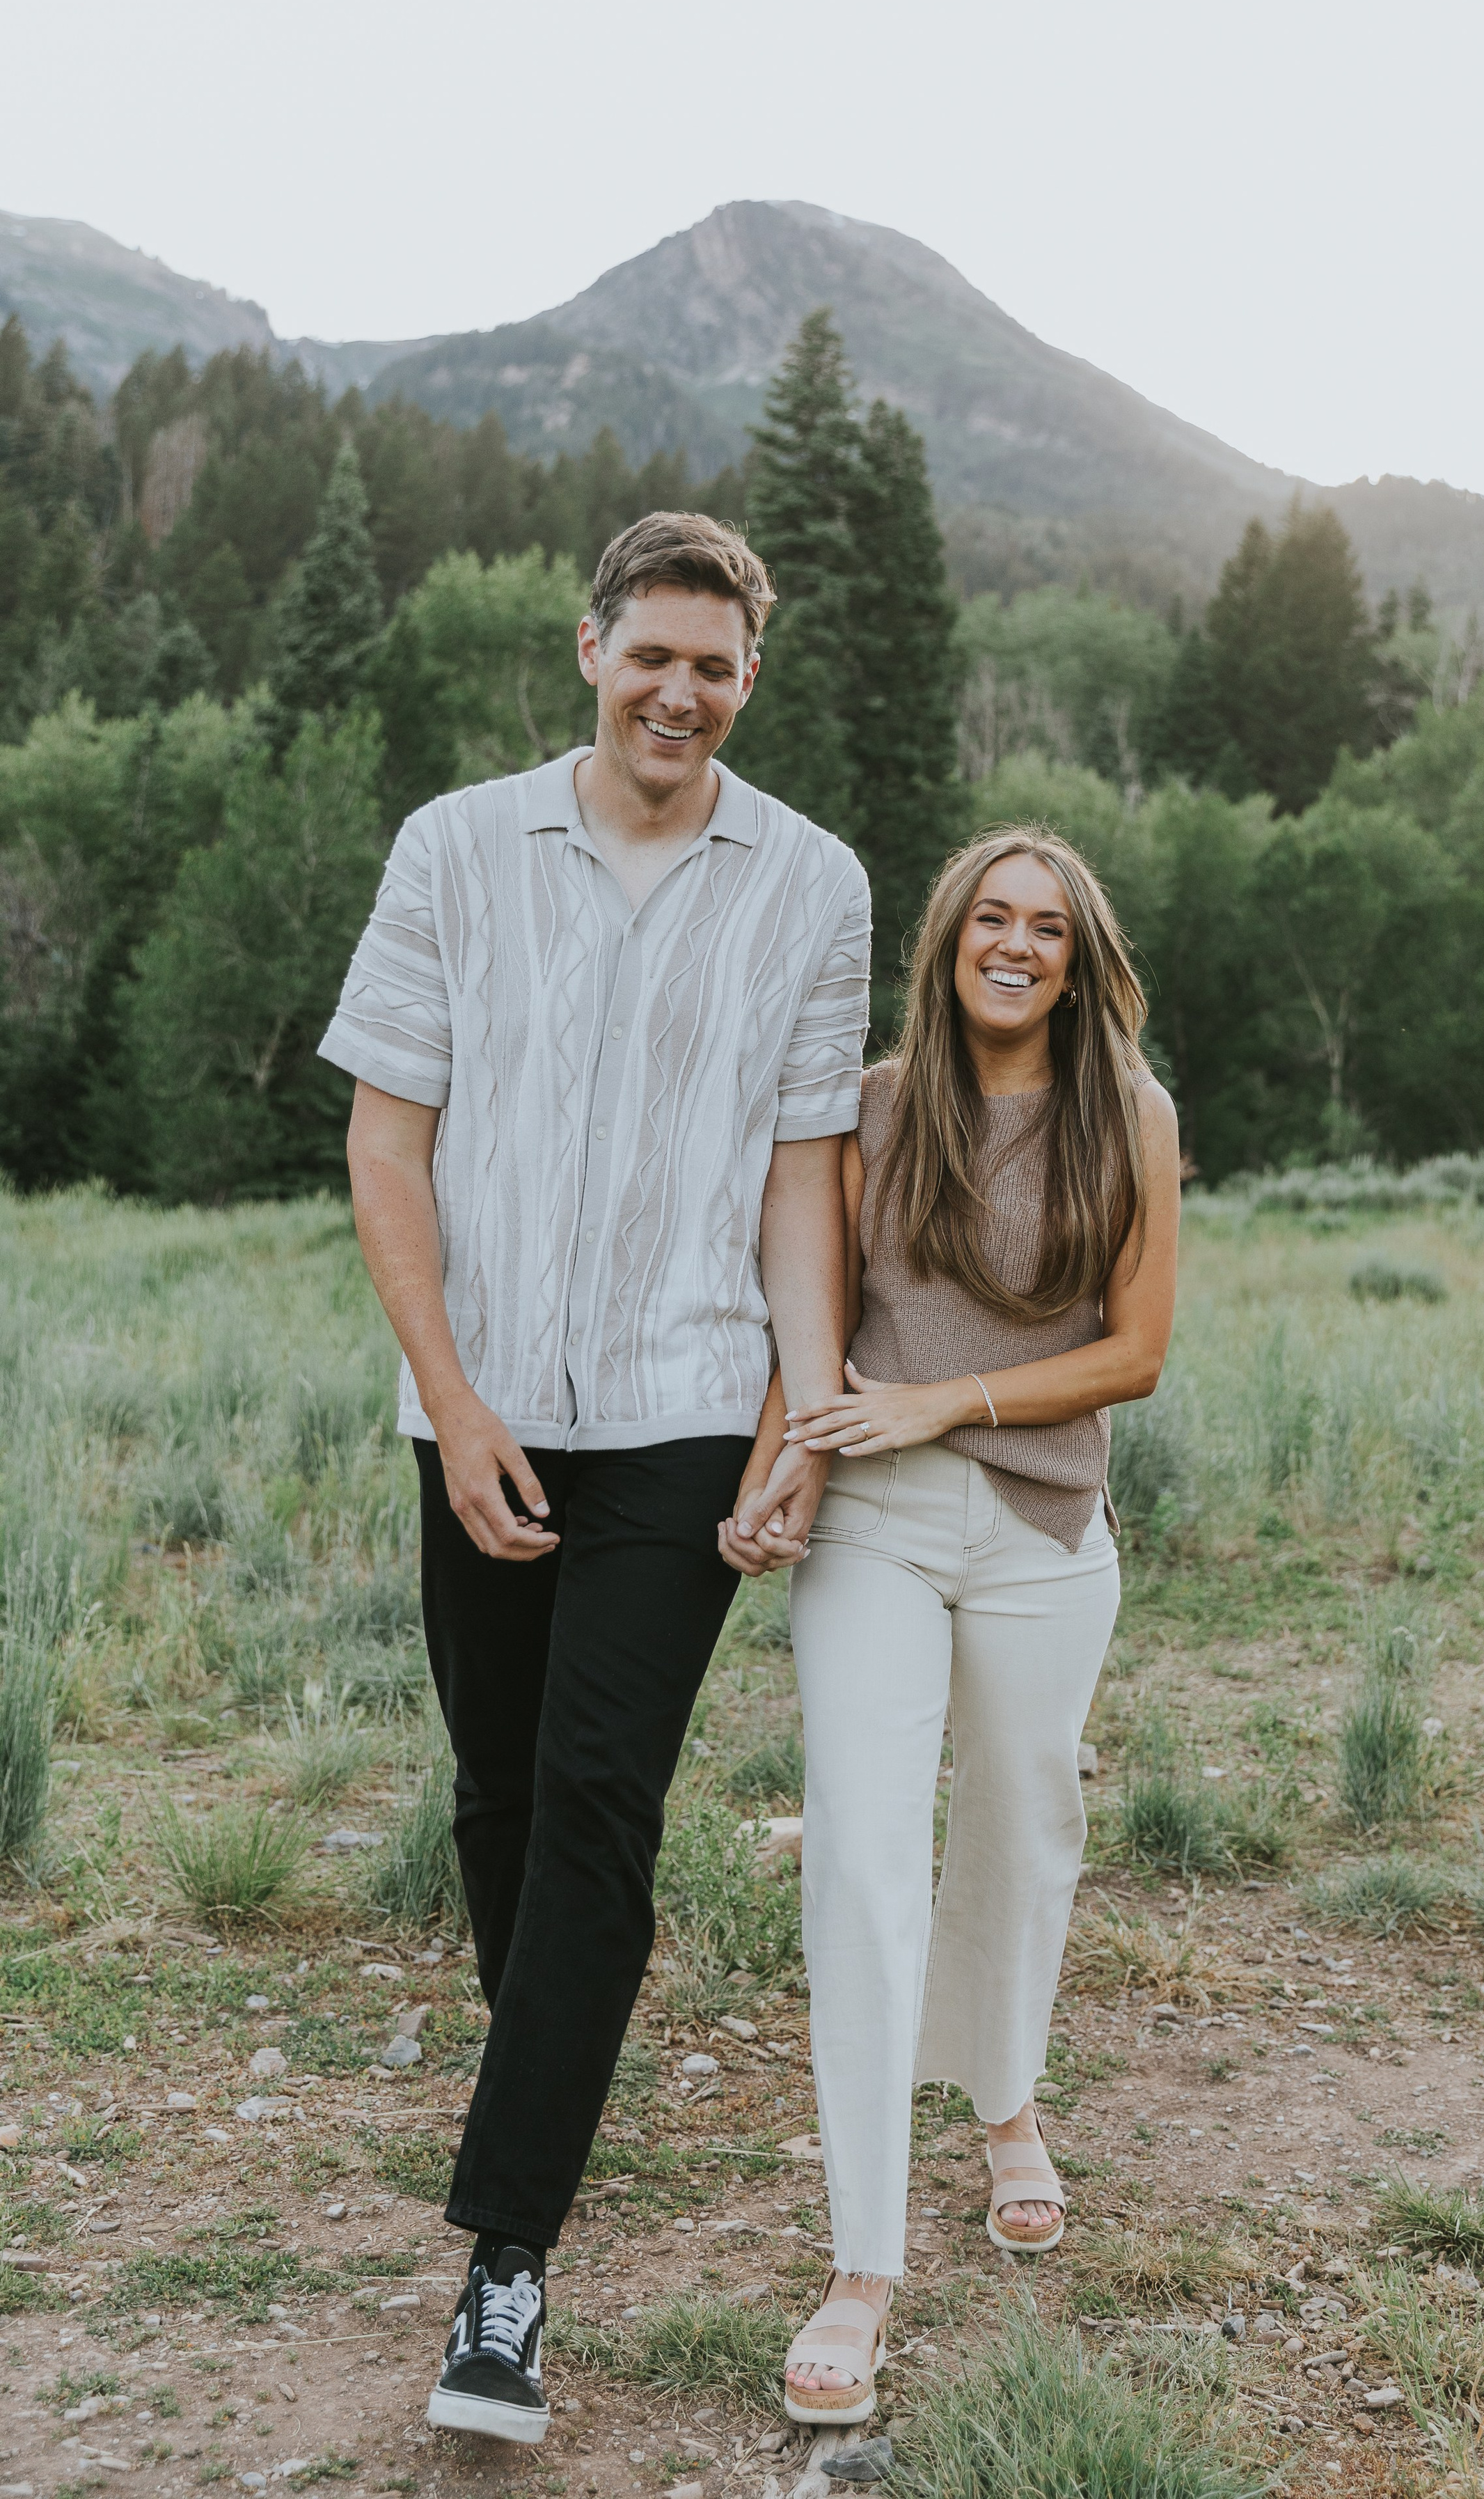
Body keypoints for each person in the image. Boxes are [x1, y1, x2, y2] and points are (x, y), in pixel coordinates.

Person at [319, 512, 868, 2447]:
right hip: (479, 1406)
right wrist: (451, 1398)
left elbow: (811, 1168)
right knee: (495, 1789)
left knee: (594, 1795)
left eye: (717, 666)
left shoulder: (812, 883)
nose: (681, 692)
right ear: (590, 648)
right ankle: (543, 2068)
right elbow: (391, 1148)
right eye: (654, 654)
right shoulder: (455, 848)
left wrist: (801, 1407)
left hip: (682, 1410)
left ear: (749, 677)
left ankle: (505, 2268)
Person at [720, 827, 1180, 2426]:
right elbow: (817, 1314)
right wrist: (779, 1466)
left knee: (1019, 1823)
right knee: (860, 1845)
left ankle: (1004, 2103)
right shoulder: (870, 1103)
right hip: (873, 1521)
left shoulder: (1129, 1115)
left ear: (1074, 957)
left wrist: (950, 1399)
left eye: (1043, 926)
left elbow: (1133, 1354)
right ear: (948, 938)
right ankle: (860, 2262)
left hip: (1046, 1525)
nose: (1013, 942)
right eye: (990, 915)